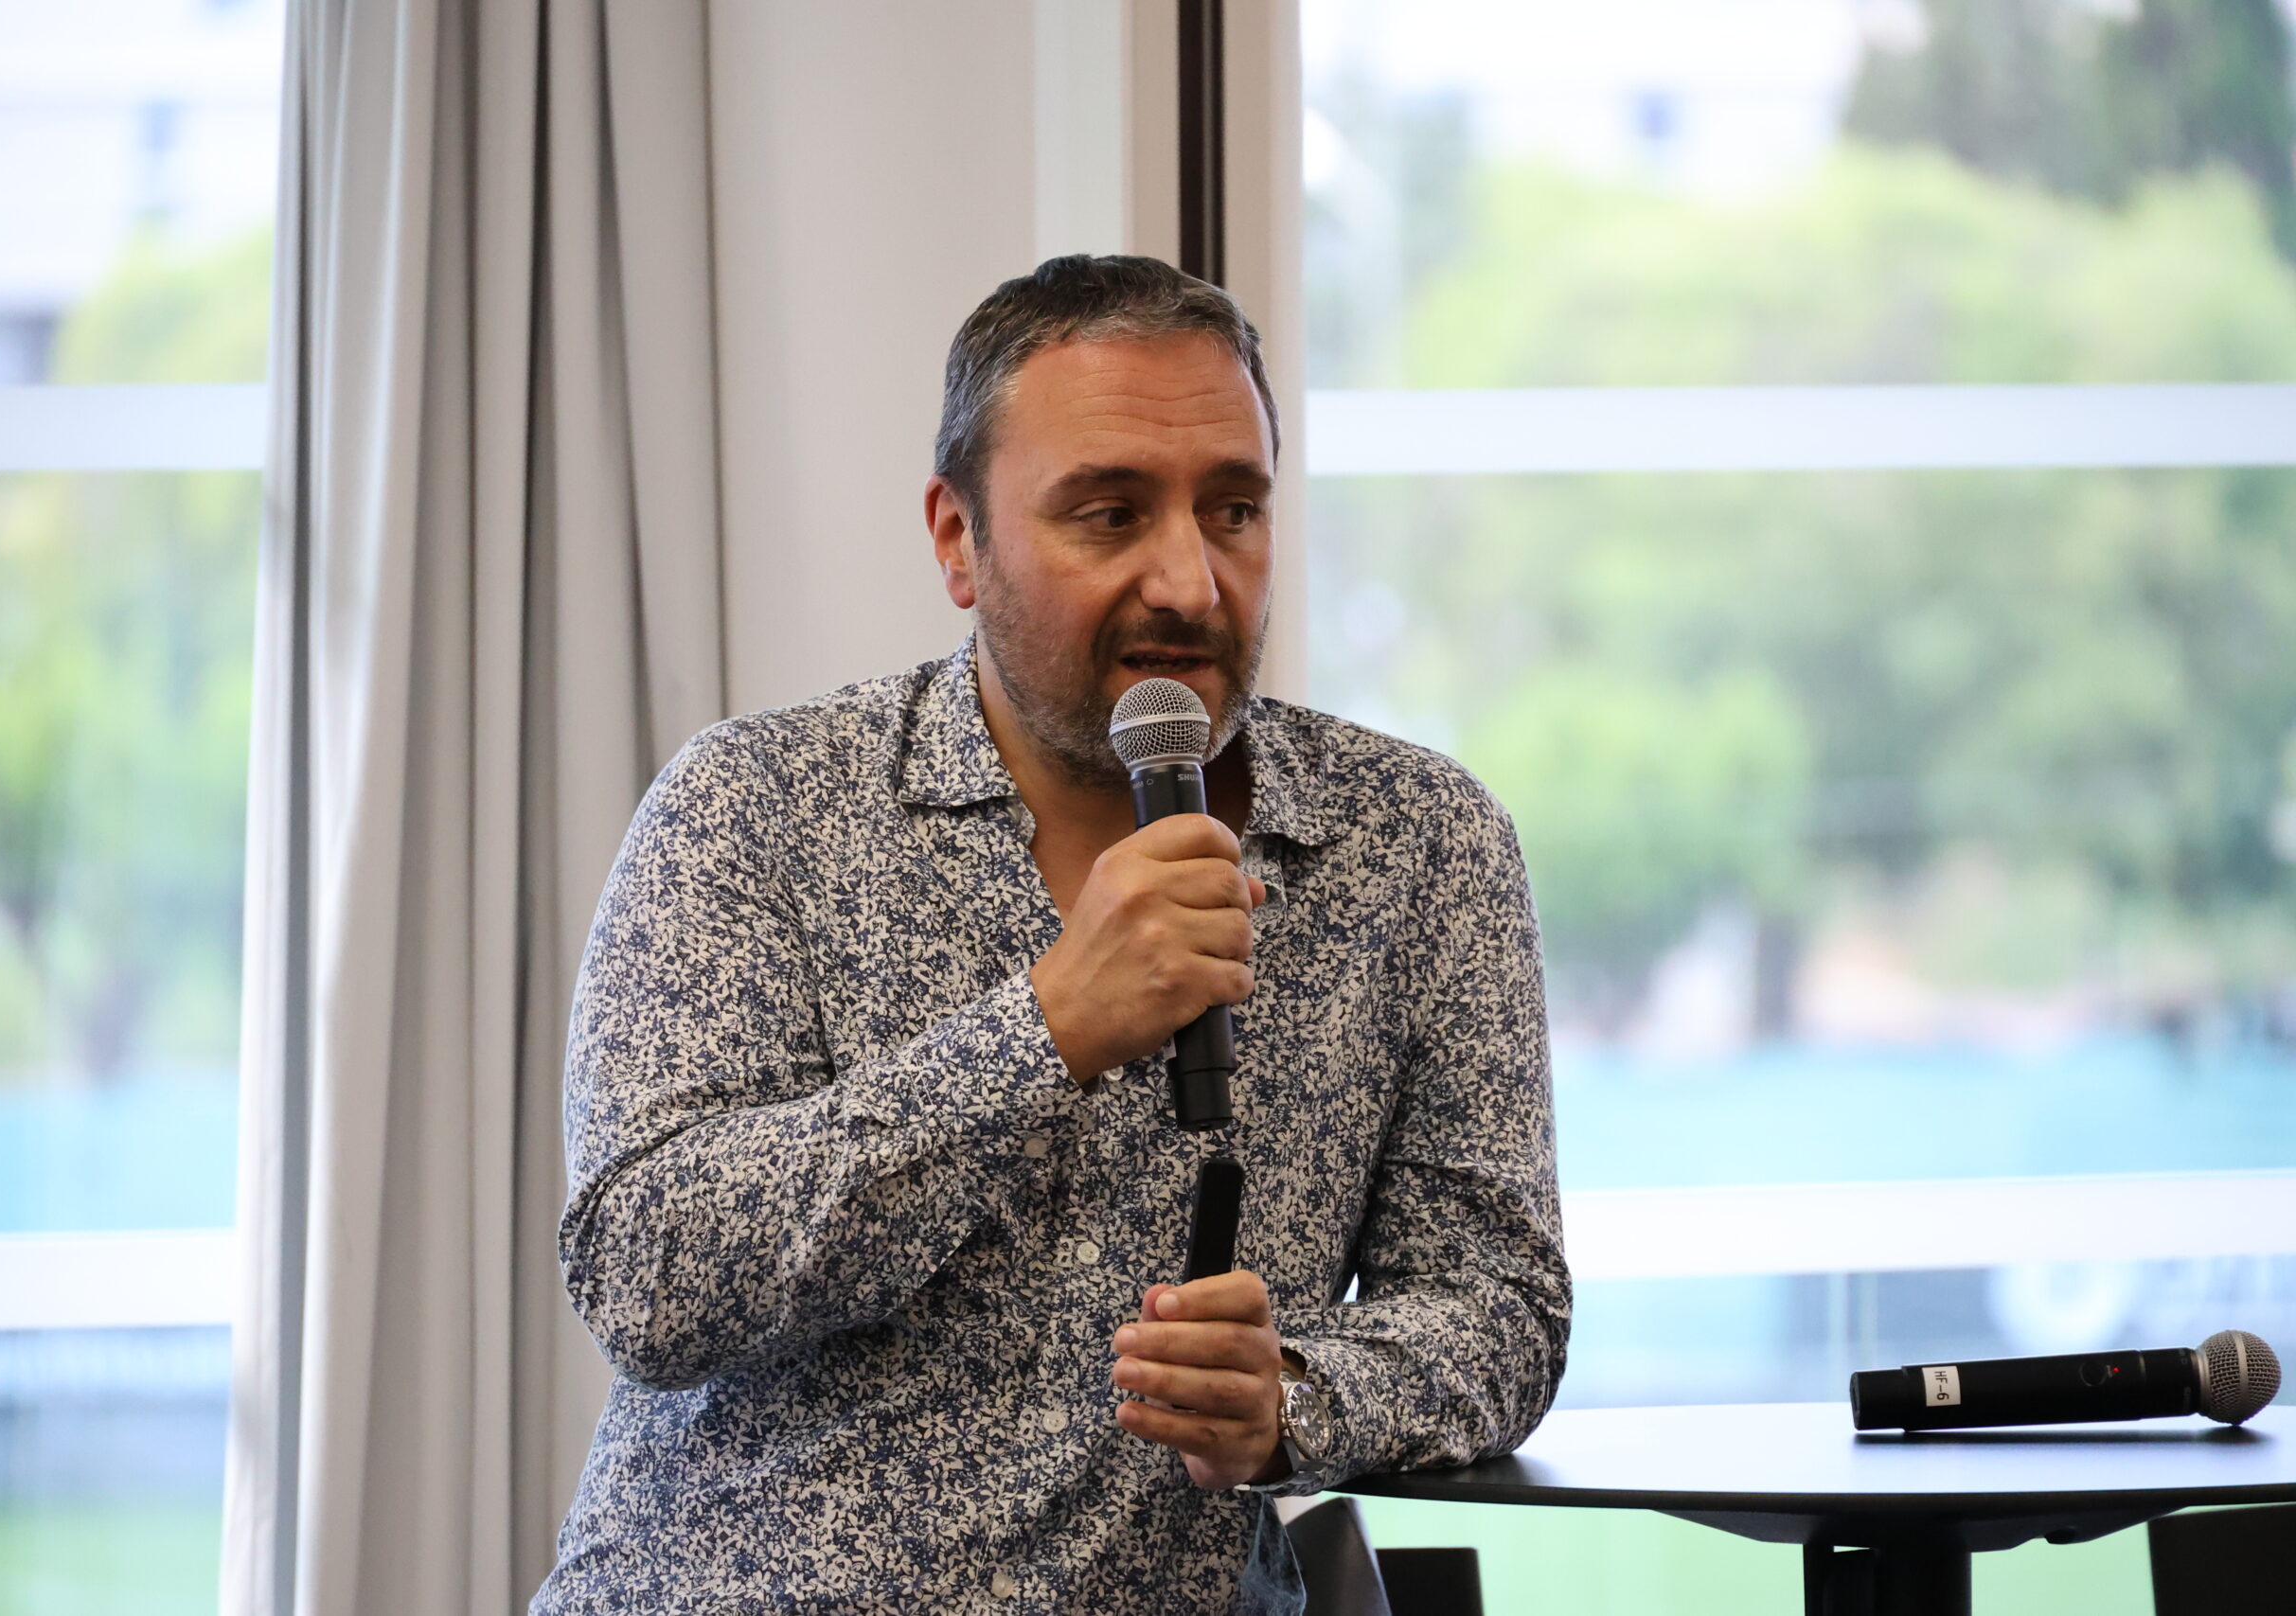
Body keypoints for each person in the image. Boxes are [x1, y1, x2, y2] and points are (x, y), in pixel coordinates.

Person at [531, 255, 1569, 1615]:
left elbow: (1499, 1303)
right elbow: (648, 1276)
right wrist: (1047, 1029)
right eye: (1110, 514)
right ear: (959, 539)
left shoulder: (1419, 842)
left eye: (1235, 509)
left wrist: (1294, 1397)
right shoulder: (756, 805)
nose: (1189, 582)